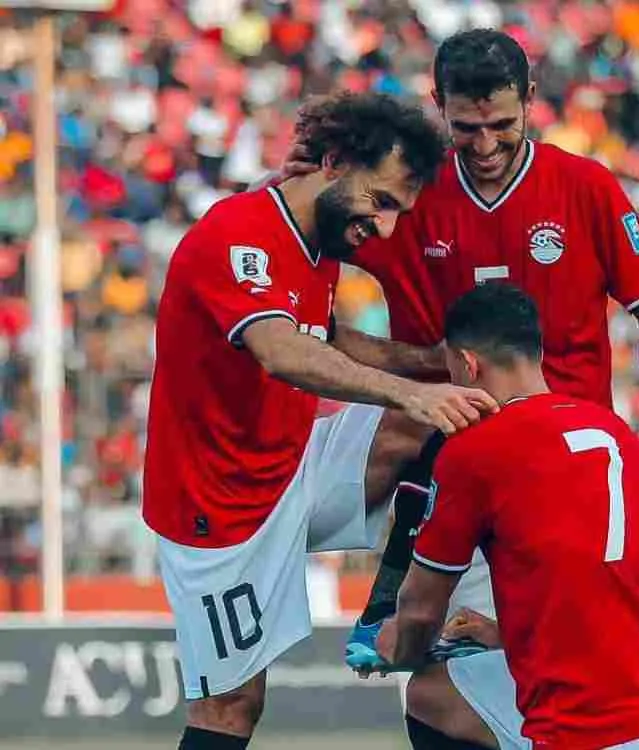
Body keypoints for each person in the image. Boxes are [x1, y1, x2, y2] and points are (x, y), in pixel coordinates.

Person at [277, 29, 639, 747]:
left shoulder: (584, 187)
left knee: (508, 684)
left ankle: (388, 599)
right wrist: (298, 187)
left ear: (531, 100)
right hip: (455, 471)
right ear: (439, 108)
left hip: (566, 488)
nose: (487, 144)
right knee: (436, 694)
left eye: (503, 124)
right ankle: (316, 564)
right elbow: (298, 277)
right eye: (466, 128)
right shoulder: (410, 194)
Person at [142, 93, 498, 750]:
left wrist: (428, 365)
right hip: (219, 511)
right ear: (333, 163)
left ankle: (390, 607)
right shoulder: (240, 233)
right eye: (382, 202)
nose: (386, 228)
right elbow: (281, 349)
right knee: (230, 709)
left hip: (294, 465)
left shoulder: (319, 240)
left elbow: (324, 335)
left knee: (432, 424)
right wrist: (405, 390)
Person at [377, 284, 639, 749]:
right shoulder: (615, 431)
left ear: (467, 364)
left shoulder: (475, 451)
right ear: (538, 353)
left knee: (425, 691)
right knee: (440, 693)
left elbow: (421, 609)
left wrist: (395, 647)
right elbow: (601, 582)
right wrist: (508, 636)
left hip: (583, 729)